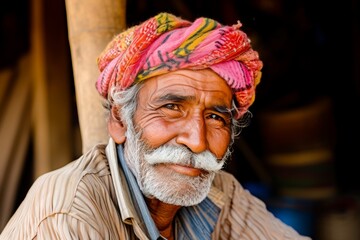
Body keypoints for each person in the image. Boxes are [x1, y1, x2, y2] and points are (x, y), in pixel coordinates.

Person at [0, 12, 311, 239]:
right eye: (171, 108)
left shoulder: (219, 194)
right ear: (119, 121)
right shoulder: (69, 213)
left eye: (216, 117)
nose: (197, 141)